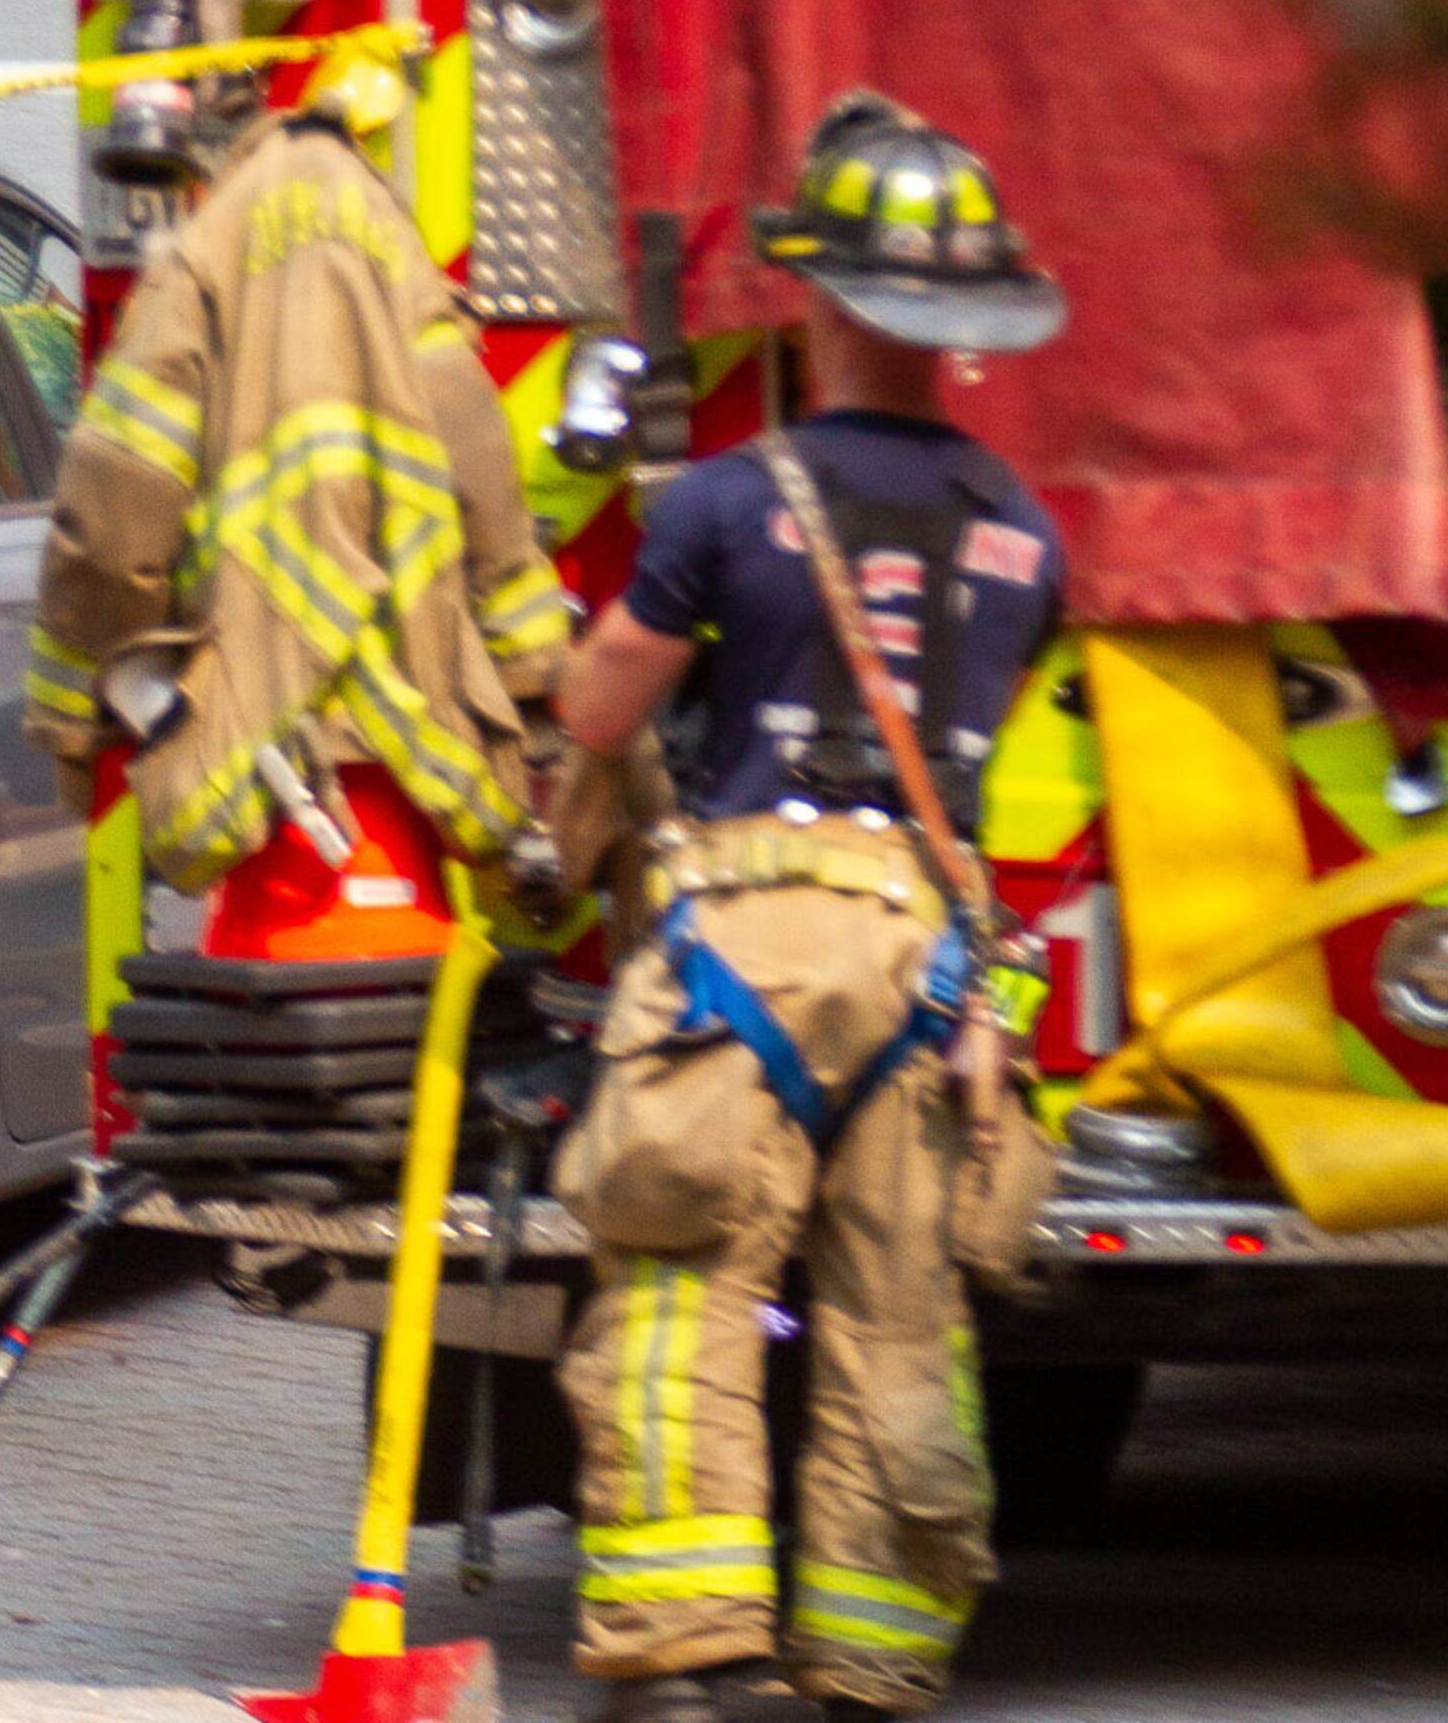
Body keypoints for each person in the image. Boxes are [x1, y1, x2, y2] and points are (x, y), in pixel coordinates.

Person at [547, 96, 1069, 1722]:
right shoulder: (1025, 533)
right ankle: (870, 1666)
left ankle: (687, 1658)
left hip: (744, 950)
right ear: (967, 330)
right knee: (899, 1324)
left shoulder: (721, 501)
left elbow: (598, 714)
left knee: (678, 1293)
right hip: (931, 973)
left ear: (824, 303)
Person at [26, 31, 573, 891]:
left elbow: (113, 517)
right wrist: (531, 672)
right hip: (414, 751)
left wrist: (73, 722)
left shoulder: (200, 260)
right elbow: (479, 467)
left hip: (263, 762)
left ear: (201, 164)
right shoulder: (392, 239)